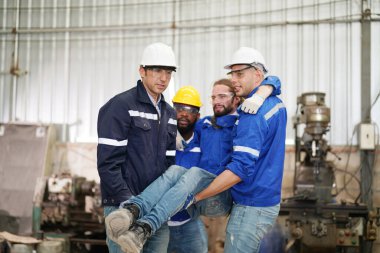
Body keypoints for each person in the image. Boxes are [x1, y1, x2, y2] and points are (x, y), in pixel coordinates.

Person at [105, 75, 281, 253]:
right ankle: (132, 212)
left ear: (236, 98)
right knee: (175, 170)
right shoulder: (204, 125)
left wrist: (263, 92)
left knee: (195, 172)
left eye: (222, 96)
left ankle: (146, 226)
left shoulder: (242, 123)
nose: (216, 101)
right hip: (193, 195)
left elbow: (273, 80)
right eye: (213, 97)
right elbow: (184, 127)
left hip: (220, 194)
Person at [194, 46, 287, 253]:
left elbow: (240, 169)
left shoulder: (252, 113)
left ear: (257, 75)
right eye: (232, 74)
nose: (234, 79)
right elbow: (275, 82)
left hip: (250, 205)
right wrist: (265, 89)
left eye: (239, 74)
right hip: (265, 200)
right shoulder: (275, 103)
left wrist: (198, 196)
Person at [97, 42, 178, 253]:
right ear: (142, 71)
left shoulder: (170, 114)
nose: (163, 78)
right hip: (122, 206)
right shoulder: (121, 106)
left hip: (155, 210)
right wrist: (130, 205)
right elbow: (107, 164)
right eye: (157, 70)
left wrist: (160, 204)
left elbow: (169, 165)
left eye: (168, 72)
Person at [168, 86, 208, 253]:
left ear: (197, 116)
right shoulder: (162, 140)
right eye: (179, 108)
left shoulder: (203, 142)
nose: (183, 113)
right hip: (160, 225)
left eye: (190, 110)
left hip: (190, 222)